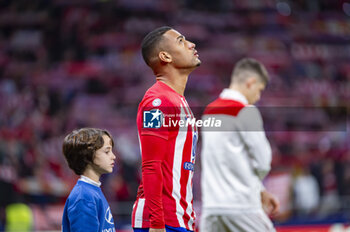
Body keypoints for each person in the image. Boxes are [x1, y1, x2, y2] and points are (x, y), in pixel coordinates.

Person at [131, 26, 201, 232]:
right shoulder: (158, 102)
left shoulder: (178, 101)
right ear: (165, 56)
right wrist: (157, 223)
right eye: (181, 41)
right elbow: (151, 166)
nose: (191, 44)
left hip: (178, 219)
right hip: (162, 223)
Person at [200, 58, 280, 232]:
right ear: (251, 83)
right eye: (259, 90)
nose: (258, 97)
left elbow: (225, 161)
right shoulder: (245, 111)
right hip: (242, 207)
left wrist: (260, 190)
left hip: (211, 209)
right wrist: (255, 188)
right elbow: (263, 161)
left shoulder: (209, 112)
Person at [61, 128, 116, 232]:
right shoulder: (84, 197)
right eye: (107, 151)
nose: (113, 156)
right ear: (88, 156)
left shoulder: (92, 191)